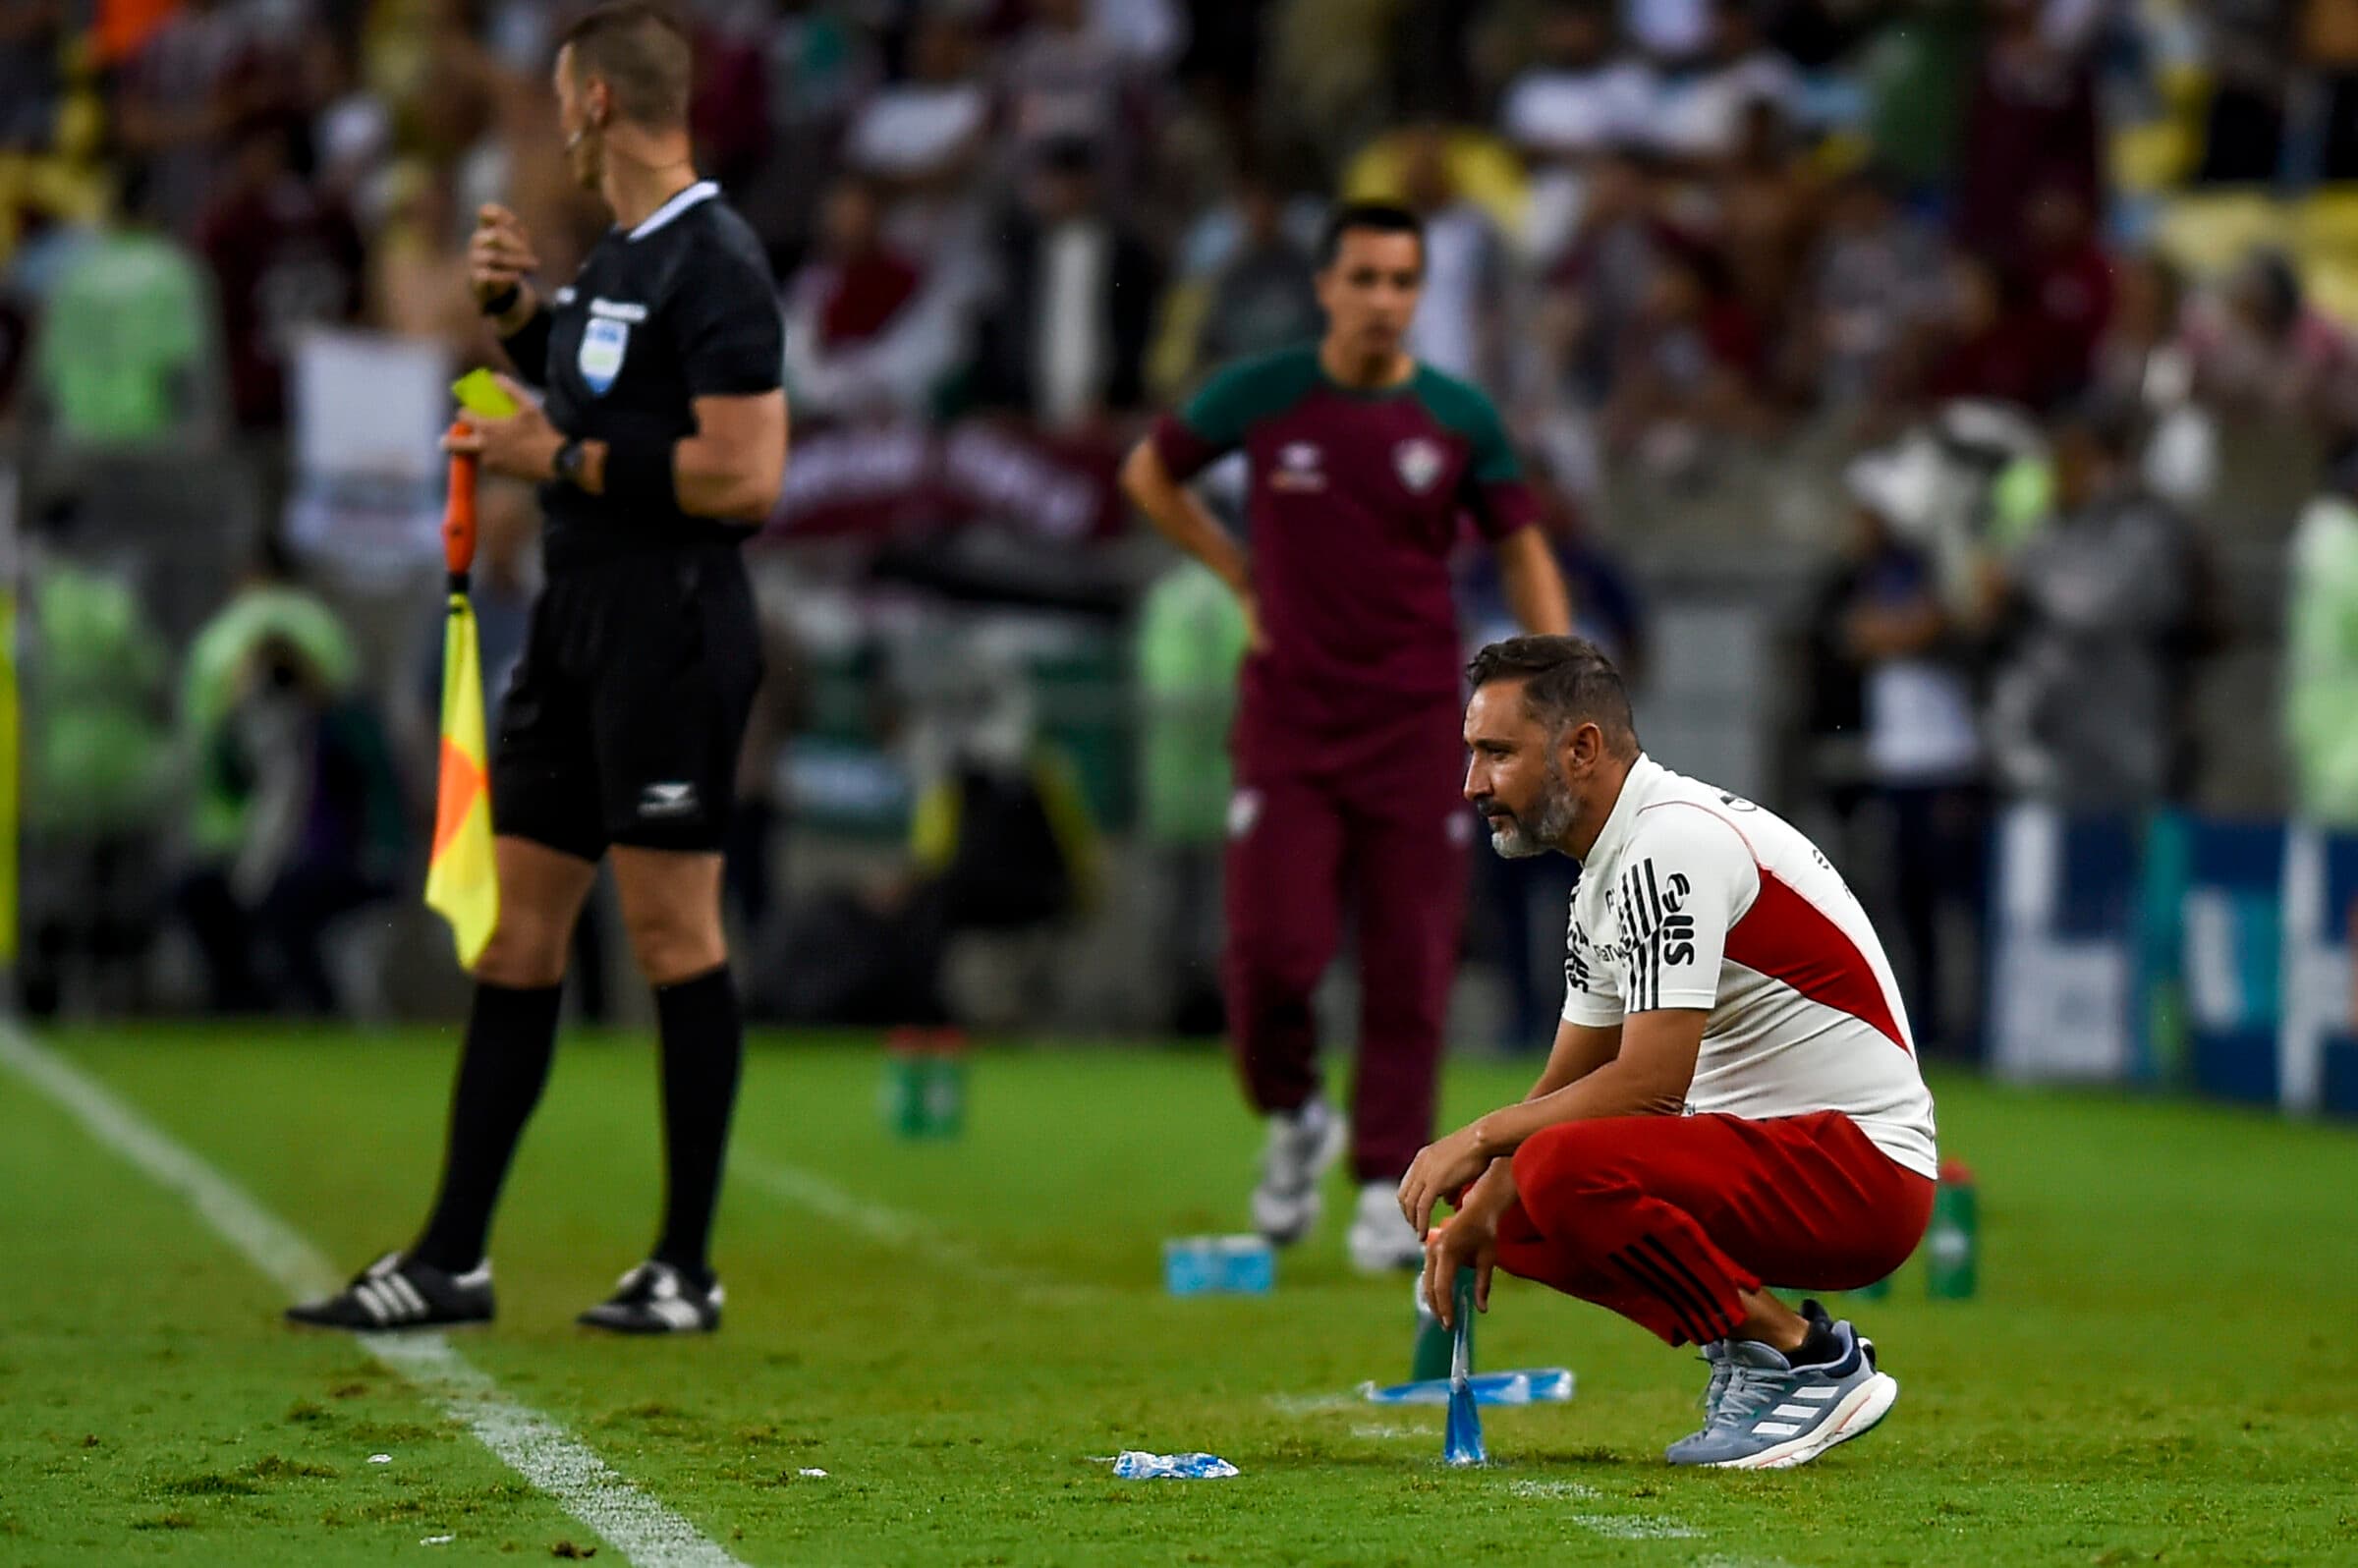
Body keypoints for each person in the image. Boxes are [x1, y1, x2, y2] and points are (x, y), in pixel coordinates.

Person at [288, 0, 788, 1336]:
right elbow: (605, 401)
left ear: (598, 104)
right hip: (576, 624)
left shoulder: (717, 260)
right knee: (516, 935)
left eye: (561, 99)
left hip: (671, 626)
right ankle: (451, 1256)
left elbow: (746, 476)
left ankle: (685, 1267)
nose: (552, 124)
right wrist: (521, 321)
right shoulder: (624, 259)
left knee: (673, 931)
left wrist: (549, 456)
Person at [1120, 201, 1571, 1272]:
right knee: (1270, 956)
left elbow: (1521, 545)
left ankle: (1382, 1183)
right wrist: (1237, 573)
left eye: (1401, 281)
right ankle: (1293, 1113)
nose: (1382, 300)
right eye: (1363, 278)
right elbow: (1150, 472)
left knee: (1411, 961)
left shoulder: (1456, 416)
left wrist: (1560, 686)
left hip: (1416, 725)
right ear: (1325, 288)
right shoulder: (1266, 394)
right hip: (1289, 722)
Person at [1402, 635, 1937, 1469]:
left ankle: (1804, 1357)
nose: (1473, 783)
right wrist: (1480, 1208)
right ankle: (1755, 1352)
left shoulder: (1669, 845)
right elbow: (1573, 1076)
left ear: (1582, 749)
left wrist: (1478, 1135)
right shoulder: (1609, 870)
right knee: (1503, 1200)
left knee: (1553, 1167)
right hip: (1779, 1159)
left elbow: (1649, 1086)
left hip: (1861, 1173)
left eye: (1497, 753)